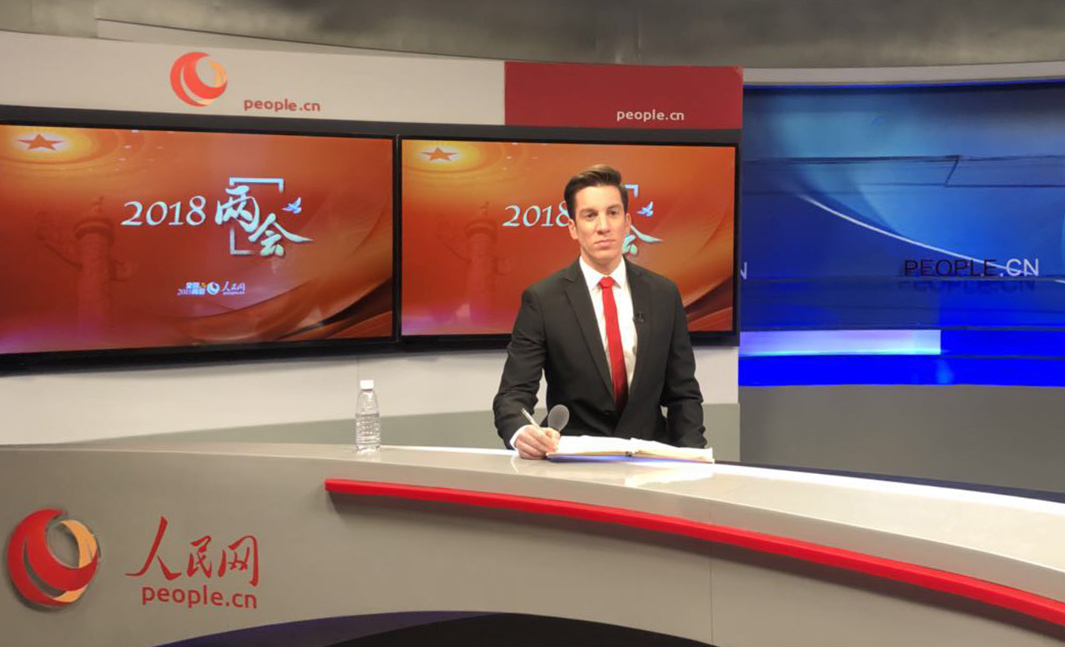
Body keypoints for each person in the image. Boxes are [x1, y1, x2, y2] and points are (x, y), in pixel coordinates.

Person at [493, 164, 706, 459]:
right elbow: (512, 395)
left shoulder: (663, 294)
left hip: (650, 459)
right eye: (590, 215)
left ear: (627, 222)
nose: (603, 226)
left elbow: (683, 393)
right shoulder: (542, 299)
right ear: (573, 227)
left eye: (613, 213)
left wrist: (694, 459)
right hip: (575, 460)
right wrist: (521, 432)